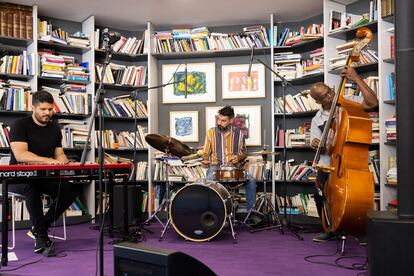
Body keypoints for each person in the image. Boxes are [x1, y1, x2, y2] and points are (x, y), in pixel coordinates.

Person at [310, 66, 378, 242]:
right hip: (328, 162)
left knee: (357, 196)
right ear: (318, 101)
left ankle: (358, 228)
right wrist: (316, 144)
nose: (330, 96)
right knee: (319, 192)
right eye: (324, 96)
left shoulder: (349, 103)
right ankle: (329, 228)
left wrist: (355, 78)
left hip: (348, 161)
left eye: (329, 91)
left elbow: (372, 103)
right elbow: (321, 148)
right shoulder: (317, 119)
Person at [9, 90, 81, 254]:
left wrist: (65, 162)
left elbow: (59, 154)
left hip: (44, 176)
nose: (47, 113)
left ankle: (40, 227)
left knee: (70, 189)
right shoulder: (19, 125)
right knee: (31, 187)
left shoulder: (55, 127)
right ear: (33, 108)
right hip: (18, 178)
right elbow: (21, 155)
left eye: (50, 109)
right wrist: (49, 161)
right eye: (43, 109)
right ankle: (41, 237)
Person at [202, 105, 256, 211]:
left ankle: (251, 213)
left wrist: (239, 157)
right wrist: (204, 161)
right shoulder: (211, 132)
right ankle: (210, 213)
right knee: (208, 182)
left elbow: (244, 153)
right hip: (215, 168)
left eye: (223, 120)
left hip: (234, 169)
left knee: (251, 181)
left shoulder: (239, 133)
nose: (219, 122)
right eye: (218, 119)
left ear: (231, 120)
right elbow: (205, 153)